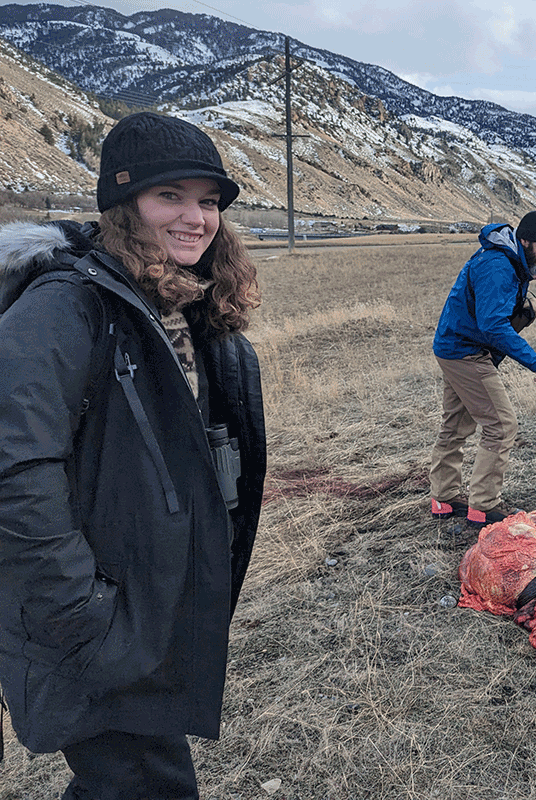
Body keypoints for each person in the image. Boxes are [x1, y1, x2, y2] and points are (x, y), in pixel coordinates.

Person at [0, 112, 265, 798]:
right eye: (169, 196)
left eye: (207, 201)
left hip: (149, 599)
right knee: (146, 782)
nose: (195, 217)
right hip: (97, 614)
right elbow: (15, 471)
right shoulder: (65, 306)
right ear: (124, 206)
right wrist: (80, 608)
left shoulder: (181, 307)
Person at [430, 210, 536, 527]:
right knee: (501, 426)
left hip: (456, 347)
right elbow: (493, 325)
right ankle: (484, 505)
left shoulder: (509, 259)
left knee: (455, 426)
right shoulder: (498, 265)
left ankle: (444, 498)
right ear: (525, 240)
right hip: (466, 352)